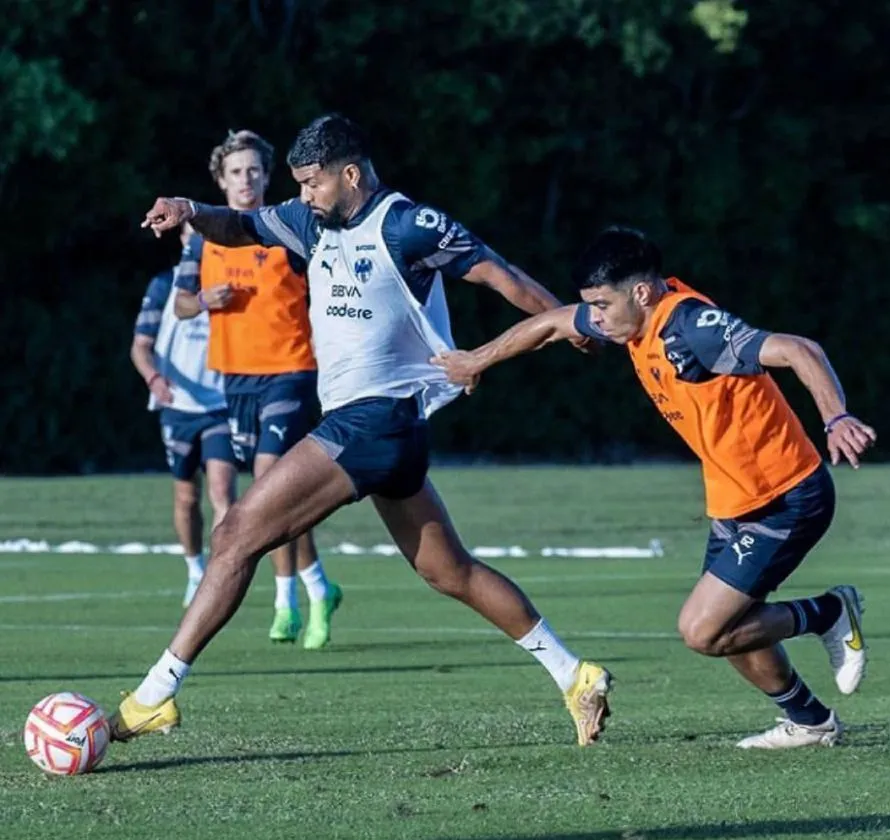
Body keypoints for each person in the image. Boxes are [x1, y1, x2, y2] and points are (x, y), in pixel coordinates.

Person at [110, 113, 612, 747]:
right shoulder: (306, 220)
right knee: (447, 570)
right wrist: (188, 207)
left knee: (236, 533)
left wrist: (572, 325)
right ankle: (576, 675)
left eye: (313, 182)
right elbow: (237, 226)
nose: (304, 195)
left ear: (350, 174)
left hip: (375, 419)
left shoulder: (408, 224)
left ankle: (155, 694)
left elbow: (499, 274)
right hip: (385, 430)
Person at [432, 225, 875, 750]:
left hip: (785, 498)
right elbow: (551, 324)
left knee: (703, 630)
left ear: (641, 292)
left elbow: (801, 349)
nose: (593, 320)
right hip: (734, 499)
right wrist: (477, 360)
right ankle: (809, 721)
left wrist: (835, 418)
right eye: (589, 307)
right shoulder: (631, 322)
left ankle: (828, 612)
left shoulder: (693, 328)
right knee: (733, 626)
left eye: (601, 305)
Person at [172, 129, 340, 648]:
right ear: (220, 182)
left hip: (292, 371)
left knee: (268, 482)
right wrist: (203, 300)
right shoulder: (203, 239)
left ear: (266, 178)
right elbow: (180, 305)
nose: (246, 180)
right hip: (236, 379)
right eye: (235, 172)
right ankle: (318, 587)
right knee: (279, 501)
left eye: (253, 171)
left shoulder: (286, 229)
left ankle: (286, 602)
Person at [130, 224, 237, 607]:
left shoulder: (232, 282)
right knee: (186, 497)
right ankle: (195, 569)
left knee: (223, 491)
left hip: (221, 406)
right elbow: (140, 347)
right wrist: (154, 378)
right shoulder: (165, 285)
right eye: (194, 235)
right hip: (177, 406)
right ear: (183, 240)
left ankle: (221, 574)